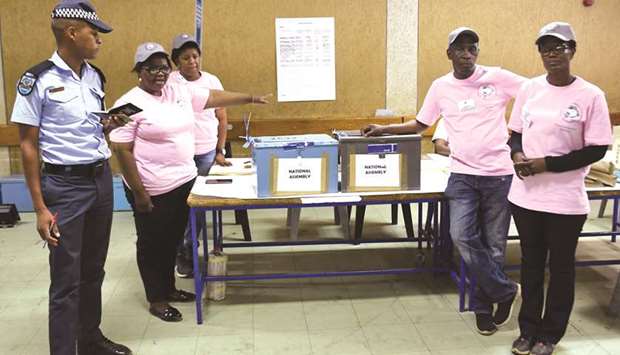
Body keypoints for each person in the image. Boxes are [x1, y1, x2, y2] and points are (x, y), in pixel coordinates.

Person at [363, 27, 525, 335]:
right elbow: (421, 123)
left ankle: (483, 306)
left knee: (494, 247)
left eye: (472, 48)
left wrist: (518, 133)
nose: (467, 53)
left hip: (499, 175)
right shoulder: (441, 87)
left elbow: (534, 94)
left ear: (478, 52)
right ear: (448, 53)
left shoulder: (497, 77)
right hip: (462, 174)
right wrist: (384, 130)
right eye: (460, 48)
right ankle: (506, 291)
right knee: (462, 236)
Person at [110, 42, 268, 322]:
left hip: (184, 182)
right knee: (152, 244)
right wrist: (140, 194)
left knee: (173, 240)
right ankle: (156, 299)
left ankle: (168, 288)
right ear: (139, 71)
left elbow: (214, 98)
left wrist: (250, 98)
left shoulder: (177, 91)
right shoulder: (128, 104)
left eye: (163, 67)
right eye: (151, 68)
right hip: (152, 188)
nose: (159, 73)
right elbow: (122, 150)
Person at [10, 1, 132, 354]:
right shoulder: (38, 79)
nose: (100, 40)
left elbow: (91, 127)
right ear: (72, 32)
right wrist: (39, 207)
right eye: (95, 33)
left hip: (100, 180)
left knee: (94, 269)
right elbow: (28, 145)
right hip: (64, 187)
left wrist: (108, 123)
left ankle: (89, 339)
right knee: (65, 279)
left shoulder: (95, 76)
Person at [507, 22, 612, 355]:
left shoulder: (591, 95)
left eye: (559, 48)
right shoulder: (530, 89)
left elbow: (596, 149)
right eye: (545, 49)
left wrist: (545, 164)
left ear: (572, 50)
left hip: (565, 200)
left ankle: (549, 335)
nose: (552, 54)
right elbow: (515, 133)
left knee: (562, 268)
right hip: (525, 196)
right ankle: (527, 329)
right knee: (531, 264)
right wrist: (519, 154)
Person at [168, 33, 231, 278]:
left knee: (200, 206)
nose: (192, 61)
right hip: (179, 156)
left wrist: (219, 151)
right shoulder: (170, 81)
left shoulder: (212, 80)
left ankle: (188, 248)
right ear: (176, 61)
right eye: (185, 57)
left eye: (195, 56)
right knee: (179, 206)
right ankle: (181, 250)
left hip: (206, 154)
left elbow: (222, 117)